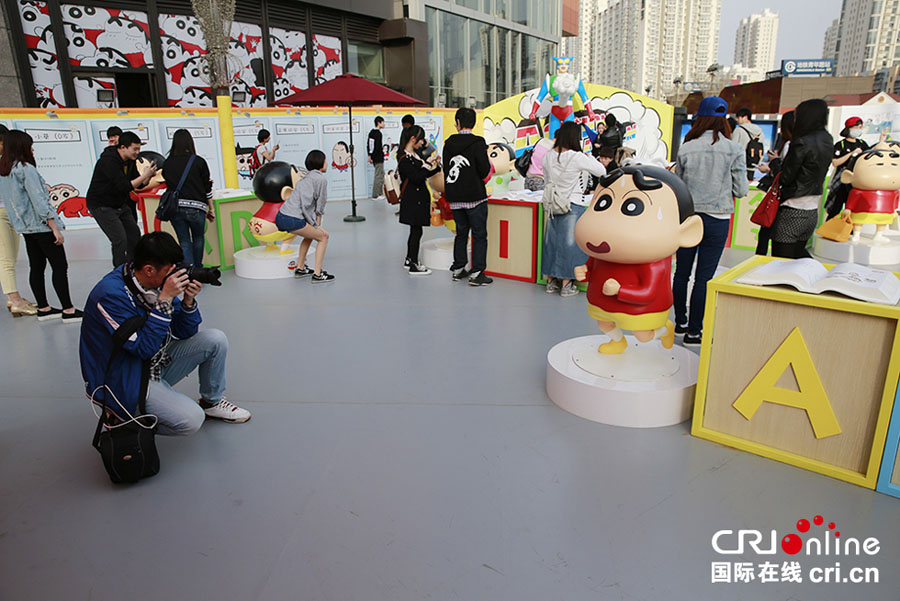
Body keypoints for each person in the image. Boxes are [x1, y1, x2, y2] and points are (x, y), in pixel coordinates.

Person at [80, 231, 250, 434]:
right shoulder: (110, 295)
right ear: (149, 270)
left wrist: (188, 302)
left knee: (215, 339)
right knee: (192, 419)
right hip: (122, 377)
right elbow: (143, 348)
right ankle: (124, 418)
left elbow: (184, 332)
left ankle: (211, 403)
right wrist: (166, 298)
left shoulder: (153, 283)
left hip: (152, 362)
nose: (175, 275)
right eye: (171, 270)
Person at [672, 96, 748, 346]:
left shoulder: (686, 148)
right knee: (703, 278)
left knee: (681, 274)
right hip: (718, 219)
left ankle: (680, 323)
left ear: (699, 119)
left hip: (688, 219)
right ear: (724, 120)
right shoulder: (734, 149)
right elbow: (741, 190)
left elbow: (678, 188)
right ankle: (694, 333)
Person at [0, 130, 82, 323]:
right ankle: (68, 309)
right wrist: (54, 226)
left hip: (26, 228)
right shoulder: (25, 169)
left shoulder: (5, 170)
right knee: (59, 266)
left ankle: (44, 308)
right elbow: (39, 201)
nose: (32, 149)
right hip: (41, 225)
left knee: (36, 267)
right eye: (30, 145)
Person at [541, 121, 606, 297]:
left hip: (553, 203)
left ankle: (550, 282)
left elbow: (546, 180)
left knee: (552, 242)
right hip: (572, 203)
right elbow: (601, 170)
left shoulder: (548, 156)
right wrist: (588, 155)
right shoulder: (576, 157)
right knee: (570, 244)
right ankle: (566, 284)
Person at [771, 98, 832, 259]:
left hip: (792, 209)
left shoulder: (801, 142)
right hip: (812, 210)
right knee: (797, 259)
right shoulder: (827, 139)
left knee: (781, 263)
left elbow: (785, 178)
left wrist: (775, 163)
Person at [86, 131, 158, 266]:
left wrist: (148, 176)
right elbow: (124, 186)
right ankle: (120, 271)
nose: (137, 152)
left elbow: (138, 184)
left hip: (120, 203)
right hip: (102, 205)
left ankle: (134, 267)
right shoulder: (108, 161)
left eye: (139, 149)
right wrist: (144, 176)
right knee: (119, 239)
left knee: (134, 235)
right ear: (123, 147)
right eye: (134, 149)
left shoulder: (130, 161)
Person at [443, 107, 493, 286]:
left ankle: (458, 268)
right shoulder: (478, 143)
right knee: (479, 234)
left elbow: (446, 169)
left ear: (457, 123)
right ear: (474, 123)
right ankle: (477, 272)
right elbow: (485, 170)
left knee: (461, 233)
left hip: (455, 197)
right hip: (475, 197)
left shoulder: (448, 144)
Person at [275, 150, 333, 282]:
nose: (327, 163)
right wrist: (317, 224)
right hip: (293, 218)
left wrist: (314, 227)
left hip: (282, 216)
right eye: (325, 160)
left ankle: (301, 268)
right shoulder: (321, 179)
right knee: (323, 237)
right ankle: (318, 274)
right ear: (320, 163)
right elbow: (320, 203)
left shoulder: (305, 179)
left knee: (310, 235)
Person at [0, 124, 37, 317]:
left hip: (11, 212)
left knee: (12, 256)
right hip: (1, 214)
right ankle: (15, 300)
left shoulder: (8, 162)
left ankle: (13, 298)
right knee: (5, 258)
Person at [163, 129, 214, 266]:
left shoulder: (167, 163)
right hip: (197, 208)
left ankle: (188, 272)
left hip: (175, 208)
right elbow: (207, 187)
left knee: (184, 241)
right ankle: (197, 269)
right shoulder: (198, 161)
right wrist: (211, 209)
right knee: (198, 239)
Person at [397, 125, 441, 275]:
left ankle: (410, 259)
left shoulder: (414, 155)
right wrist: (427, 164)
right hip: (412, 199)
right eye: (421, 139)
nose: (422, 142)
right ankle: (414, 264)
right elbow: (416, 177)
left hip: (418, 198)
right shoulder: (404, 159)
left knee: (416, 231)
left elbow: (424, 174)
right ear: (413, 139)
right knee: (416, 231)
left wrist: (435, 166)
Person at [824, 117, 886, 220]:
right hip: (841, 180)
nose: (859, 130)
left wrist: (881, 141)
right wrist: (852, 153)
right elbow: (835, 162)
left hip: (855, 181)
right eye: (857, 127)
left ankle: (850, 228)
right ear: (849, 128)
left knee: (852, 208)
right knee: (835, 208)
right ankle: (829, 227)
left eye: (860, 128)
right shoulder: (841, 145)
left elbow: (870, 155)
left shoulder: (862, 143)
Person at [755, 110, 795, 255]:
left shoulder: (790, 145)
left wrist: (774, 162)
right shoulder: (795, 144)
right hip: (788, 198)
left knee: (767, 233)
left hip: (780, 197)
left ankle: (760, 260)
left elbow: (783, 173)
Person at [731, 107, 765, 181]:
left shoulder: (739, 130)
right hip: (753, 165)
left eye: (738, 117)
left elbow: (732, 148)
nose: (737, 120)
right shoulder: (760, 132)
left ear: (745, 117)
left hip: (739, 166)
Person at [368, 116, 385, 199]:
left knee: (381, 175)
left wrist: (370, 155)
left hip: (376, 157)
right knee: (378, 176)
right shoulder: (378, 134)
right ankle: (376, 195)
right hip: (378, 158)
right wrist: (371, 155)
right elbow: (375, 146)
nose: (384, 124)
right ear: (379, 123)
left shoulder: (372, 133)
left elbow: (370, 145)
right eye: (383, 122)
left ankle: (380, 193)